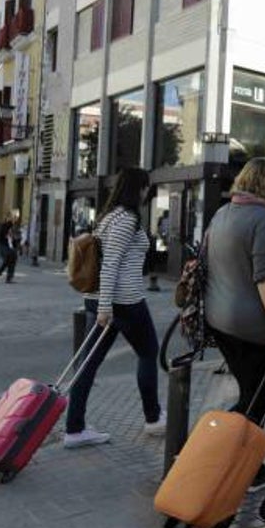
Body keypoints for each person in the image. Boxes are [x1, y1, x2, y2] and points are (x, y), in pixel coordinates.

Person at [204, 157, 265, 490]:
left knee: (250, 394)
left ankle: (242, 463)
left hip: (220, 321)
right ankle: (211, 453)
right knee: (259, 398)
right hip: (255, 328)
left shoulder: (222, 214)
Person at [64, 168, 164, 448]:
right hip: (124, 302)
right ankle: (153, 418)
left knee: (88, 363)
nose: (148, 192)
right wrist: (106, 307)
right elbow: (110, 265)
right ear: (138, 189)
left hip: (104, 300)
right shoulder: (125, 220)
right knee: (148, 353)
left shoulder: (109, 217)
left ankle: (75, 428)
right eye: (146, 187)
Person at [0, 212, 21, 284]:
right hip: (4, 246)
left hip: (11, 247)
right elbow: (3, 236)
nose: (15, 219)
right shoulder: (5, 226)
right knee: (7, 260)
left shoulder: (14, 226)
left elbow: (17, 238)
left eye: (16, 218)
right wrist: (10, 235)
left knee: (12, 260)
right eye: (14, 217)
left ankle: (9, 278)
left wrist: (16, 240)